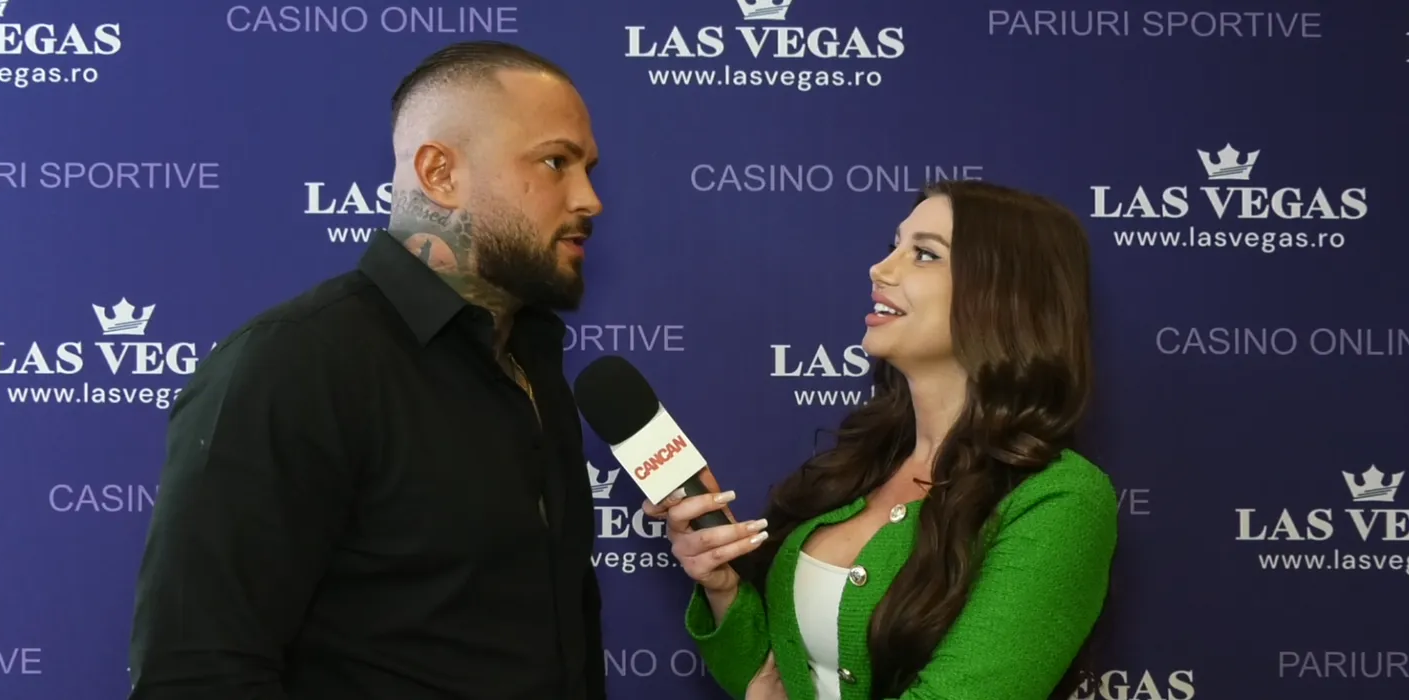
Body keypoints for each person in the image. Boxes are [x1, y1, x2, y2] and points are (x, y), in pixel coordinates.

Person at [127, 41, 607, 700]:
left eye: (588, 169)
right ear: (439, 173)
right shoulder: (294, 366)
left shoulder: (534, 364)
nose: (589, 199)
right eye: (555, 162)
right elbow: (196, 675)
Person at [644, 180, 1118, 700]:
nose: (880, 269)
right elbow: (771, 680)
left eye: (925, 254)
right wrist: (724, 586)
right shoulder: (863, 463)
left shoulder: (1061, 499)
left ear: (1005, 296)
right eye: (894, 245)